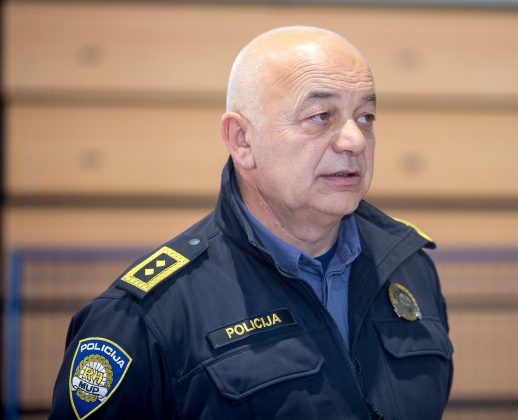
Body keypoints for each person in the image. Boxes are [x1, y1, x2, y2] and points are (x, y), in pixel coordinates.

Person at [50, 26, 453, 420]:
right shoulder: (145, 318)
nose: (354, 140)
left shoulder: (409, 269)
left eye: (365, 117)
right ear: (242, 140)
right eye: (320, 116)